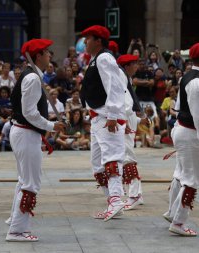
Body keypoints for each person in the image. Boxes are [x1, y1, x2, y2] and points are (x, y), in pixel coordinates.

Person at [6, 39, 65, 242]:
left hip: (24, 132)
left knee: (25, 180)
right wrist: (50, 125)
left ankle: (15, 222)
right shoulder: (32, 78)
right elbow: (29, 112)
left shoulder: (32, 76)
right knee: (31, 183)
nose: (50, 56)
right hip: (25, 132)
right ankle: (17, 230)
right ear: (38, 55)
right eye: (47, 52)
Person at [164, 42, 199, 237]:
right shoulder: (197, 81)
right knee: (192, 179)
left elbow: (179, 106)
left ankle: (172, 213)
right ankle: (179, 222)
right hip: (189, 133)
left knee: (180, 173)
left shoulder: (188, 76)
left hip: (183, 131)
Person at [80, 25, 127, 221]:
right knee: (97, 165)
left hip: (107, 117)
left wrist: (113, 115)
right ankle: (112, 201)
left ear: (98, 40)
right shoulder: (95, 59)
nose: (84, 42)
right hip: (97, 117)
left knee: (111, 158)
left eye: (87, 38)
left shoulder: (104, 58)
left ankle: (117, 200)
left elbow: (115, 87)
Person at [117, 54, 149, 210]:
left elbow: (128, 107)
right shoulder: (123, 79)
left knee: (127, 156)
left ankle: (134, 195)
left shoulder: (126, 80)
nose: (137, 67)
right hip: (125, 120)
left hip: (126, 120)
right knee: (125, 155)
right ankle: (138, 194)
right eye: (134, 64)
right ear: (126, 66)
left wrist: (131, 121)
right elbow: (126, 107)